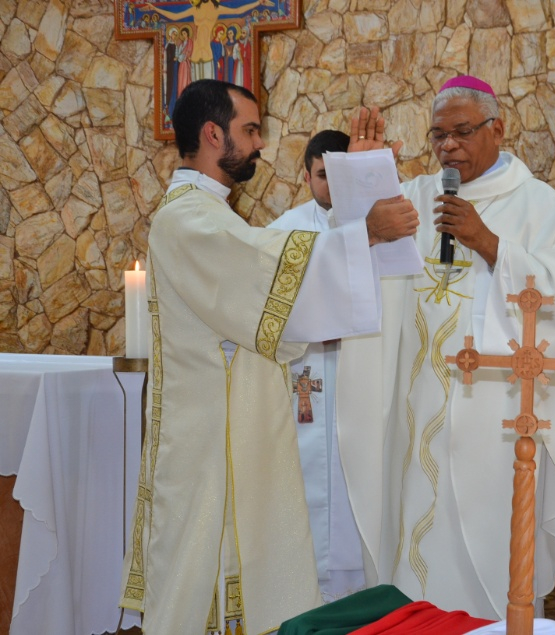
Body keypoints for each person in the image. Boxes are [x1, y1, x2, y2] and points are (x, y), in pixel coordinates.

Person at [118, 80, 418, 635]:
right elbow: (270, 273)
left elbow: (274, 277)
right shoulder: (186, 219)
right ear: (213, 135)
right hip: (208, 441)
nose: (260, 144)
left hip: (230, 430)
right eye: (250, 130)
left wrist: (356, 196)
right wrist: (364, 229)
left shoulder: (213, 215)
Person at [337, 75, 555, 619]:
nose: (448, 147)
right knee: (415, 539)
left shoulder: (540, 207)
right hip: (417, 412)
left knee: (493, 553)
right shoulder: (416, 198)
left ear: (497, 129)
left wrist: (491, 243)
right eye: (438, 136)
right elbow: (360, 261)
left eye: (462, 132)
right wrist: (361, 179)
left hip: (497, 426)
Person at [267, 130, 368, 601]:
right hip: (303, 380)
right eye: (323, 175)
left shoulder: (376, 228)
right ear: (307, 175)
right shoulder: (282, 232)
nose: (331, 185)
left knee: (356, 486)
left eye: (339, 174)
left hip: (356, 381)